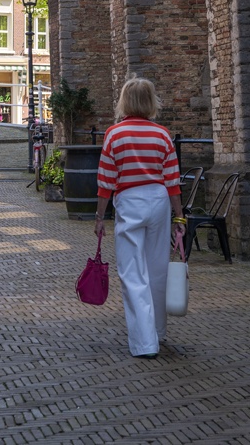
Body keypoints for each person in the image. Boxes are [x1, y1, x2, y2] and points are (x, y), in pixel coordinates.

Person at [94, 76, 185, 359]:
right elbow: (172, 179)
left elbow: (106, 180)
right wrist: (179, 217)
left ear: (125, 102)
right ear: (150, 102)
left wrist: (99, 216)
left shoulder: (114, 135)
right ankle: (158, 331)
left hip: (129, 200)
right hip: (158, 200)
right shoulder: (162, 135)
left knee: (132, 272)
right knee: (157, 269)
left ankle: (145, 343)